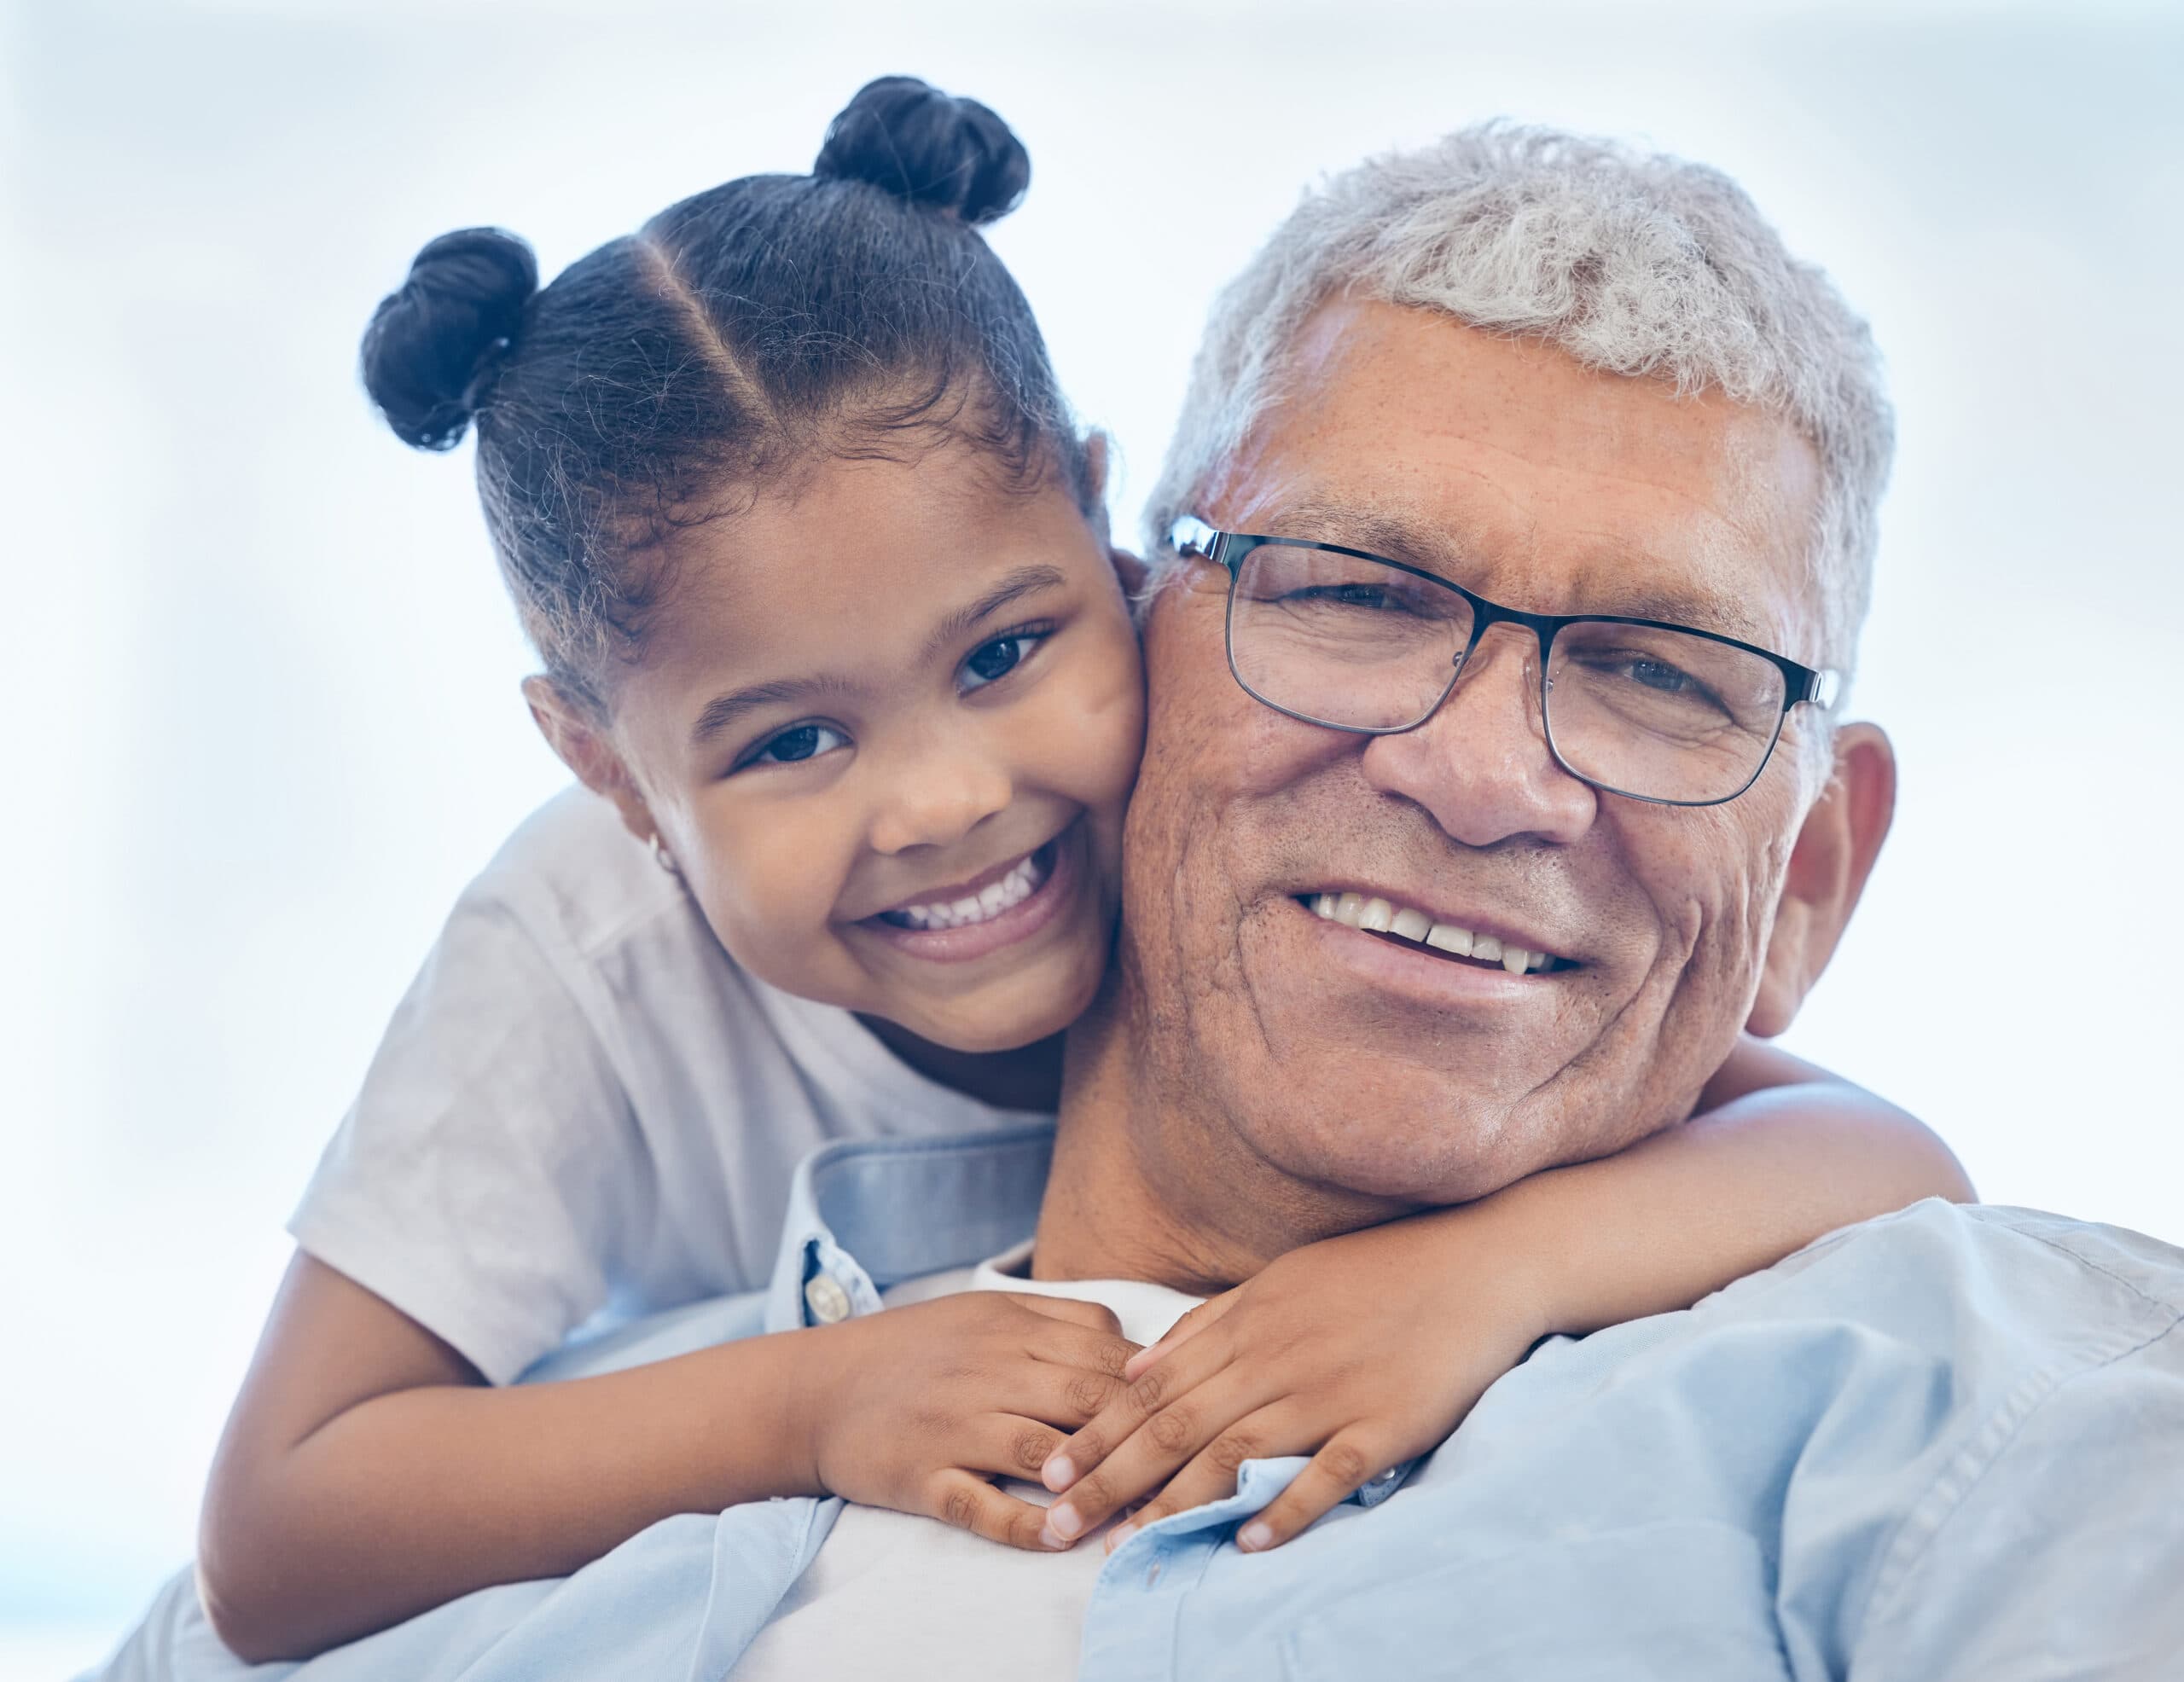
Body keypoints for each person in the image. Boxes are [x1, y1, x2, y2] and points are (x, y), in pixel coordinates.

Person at [184, 84, 1972, 1670]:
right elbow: (275, 1537)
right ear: (606, 766)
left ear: (1107, 553)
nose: (950, 802)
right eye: (791, 743)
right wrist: (815, 1397)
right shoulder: (577, 950)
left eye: (1001, 651)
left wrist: (1486, 1276)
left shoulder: (1172, 797)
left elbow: (1878, 1153)